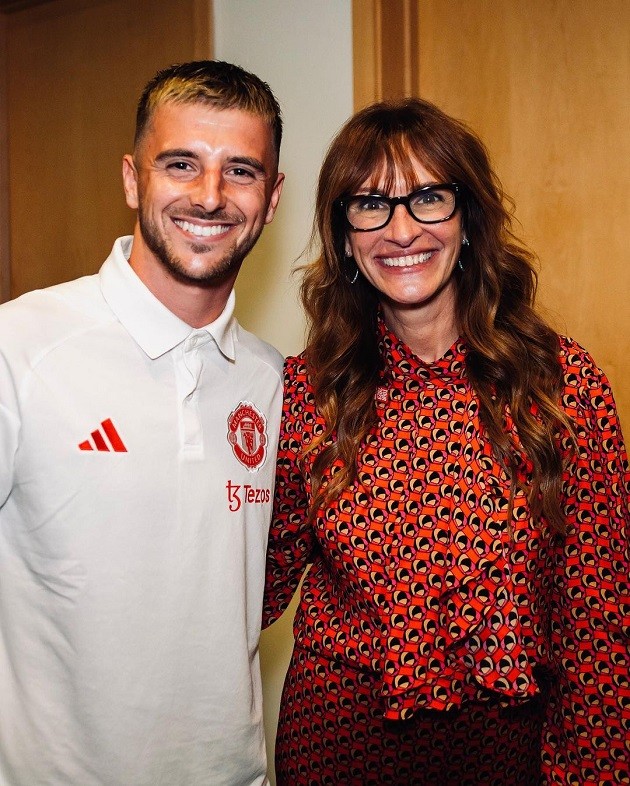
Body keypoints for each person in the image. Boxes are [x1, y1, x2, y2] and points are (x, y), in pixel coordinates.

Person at [263, 98, 630, 785]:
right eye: (370, 204)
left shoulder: (561, 386)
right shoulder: (304, 395)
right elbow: (239, 592)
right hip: (333, 749)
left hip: (502, 755)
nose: (401, 230)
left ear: (469, 219)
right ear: (344, 235)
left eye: (428, 197)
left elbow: (600, 624)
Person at [0, 60, 284, 785]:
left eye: (241, 170)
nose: (210, 196)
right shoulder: (21, 346)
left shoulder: (275, 381)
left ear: (273, 198)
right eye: (181, 163)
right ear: (132, 179)